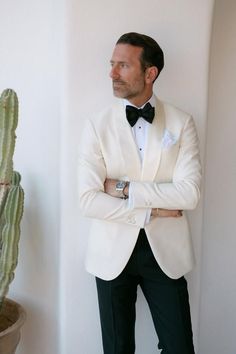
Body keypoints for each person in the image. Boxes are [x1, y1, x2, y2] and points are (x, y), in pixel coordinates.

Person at [78, 32, 201, 354]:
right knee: (117, 349)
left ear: (150, 73)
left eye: (123, 65)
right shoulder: (96, 125)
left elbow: (189, 195)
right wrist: (153, 209)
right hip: (110, 254)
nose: (112, 74)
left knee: (180, 348)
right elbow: (88, 200)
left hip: (166, 256)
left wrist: (123, 188)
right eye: (111, 64)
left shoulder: (182, 122)